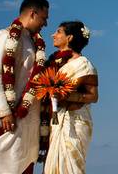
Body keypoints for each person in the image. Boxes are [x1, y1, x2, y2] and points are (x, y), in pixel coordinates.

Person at [0, 0, 50, 174]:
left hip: (30, 118)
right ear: (33, 13)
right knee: (2, 164)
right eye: (44, 18)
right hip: (10, 117)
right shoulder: (4, 36)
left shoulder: (34, 43)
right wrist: (3, 112)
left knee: (24, 163)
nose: (46, 23)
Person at [42, 20, 99, 174]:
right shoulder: (56, 64)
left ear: (70, 38)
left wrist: (65, 96)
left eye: (59, 31)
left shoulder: (84, 64)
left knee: (71, 167)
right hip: (57, 120)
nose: (53, 35)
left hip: (75, 122)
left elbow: (93, 96)